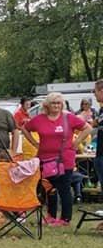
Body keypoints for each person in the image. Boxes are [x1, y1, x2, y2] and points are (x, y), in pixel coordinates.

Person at [22, 92, 92, 226]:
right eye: (53, 103)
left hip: (64, 160)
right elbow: (25, 129)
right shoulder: (39, 119)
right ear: (47, 105)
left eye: (59, 103)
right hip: (45, 159)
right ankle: (51, 215)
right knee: (49, 188)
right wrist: (34, 143)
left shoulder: (69, 118)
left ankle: (65, 219)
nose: (56, 106)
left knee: (64, 188)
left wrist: (76, 143)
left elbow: (87, 128)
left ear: (62, 105)